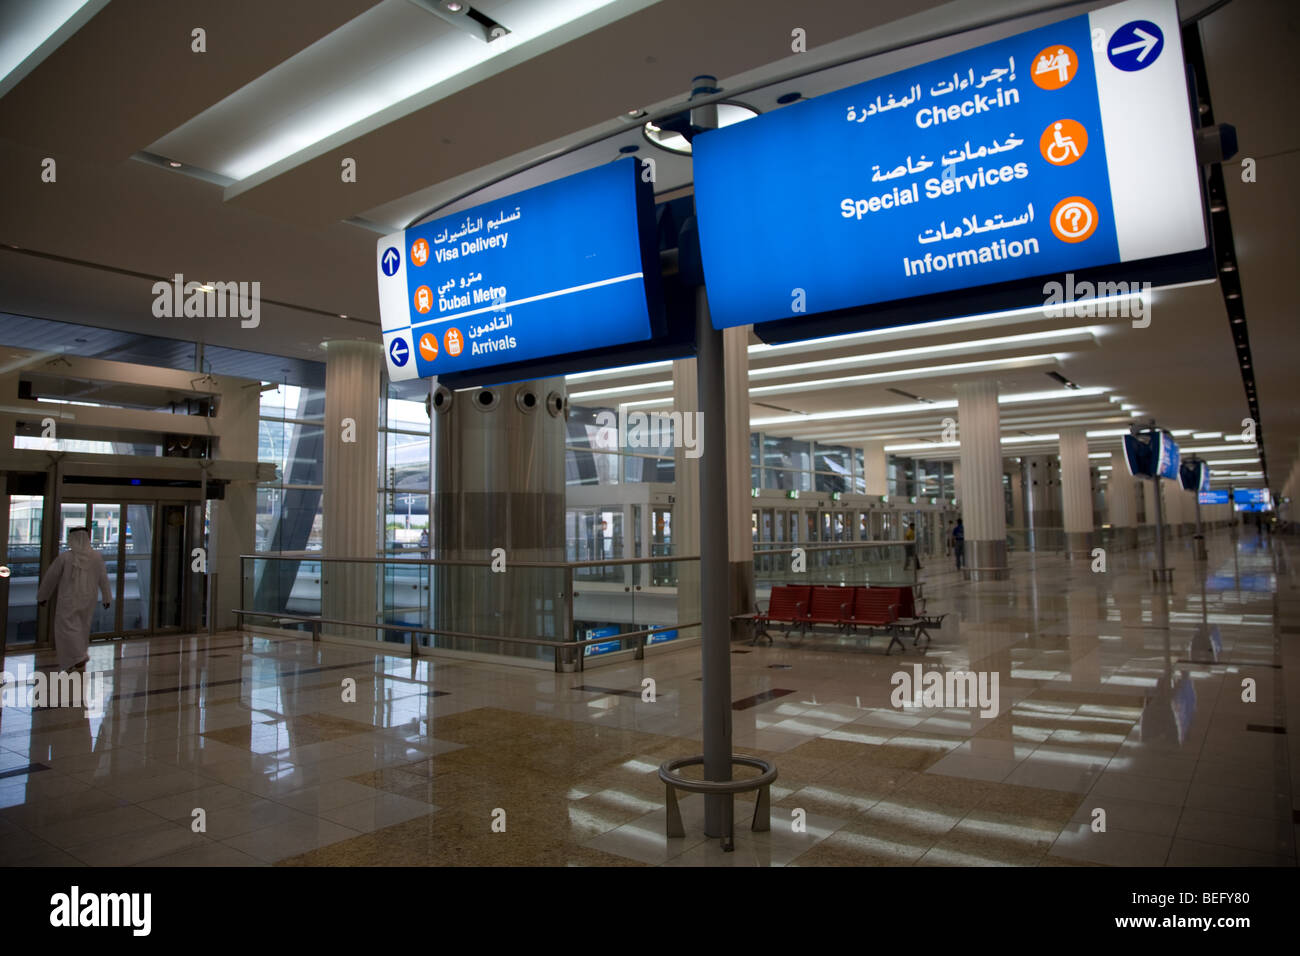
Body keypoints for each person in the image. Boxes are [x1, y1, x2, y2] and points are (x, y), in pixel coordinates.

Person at [36, 527, 112, 672]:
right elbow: (104, 579)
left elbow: (50, 578)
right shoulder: (96, 557)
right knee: (82, 628)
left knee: (67, 628)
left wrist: (42, 597)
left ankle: (78, 656)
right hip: (89, 598)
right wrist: (106, 598)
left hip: (69, 599)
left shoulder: (66, 557)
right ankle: (73, 661)